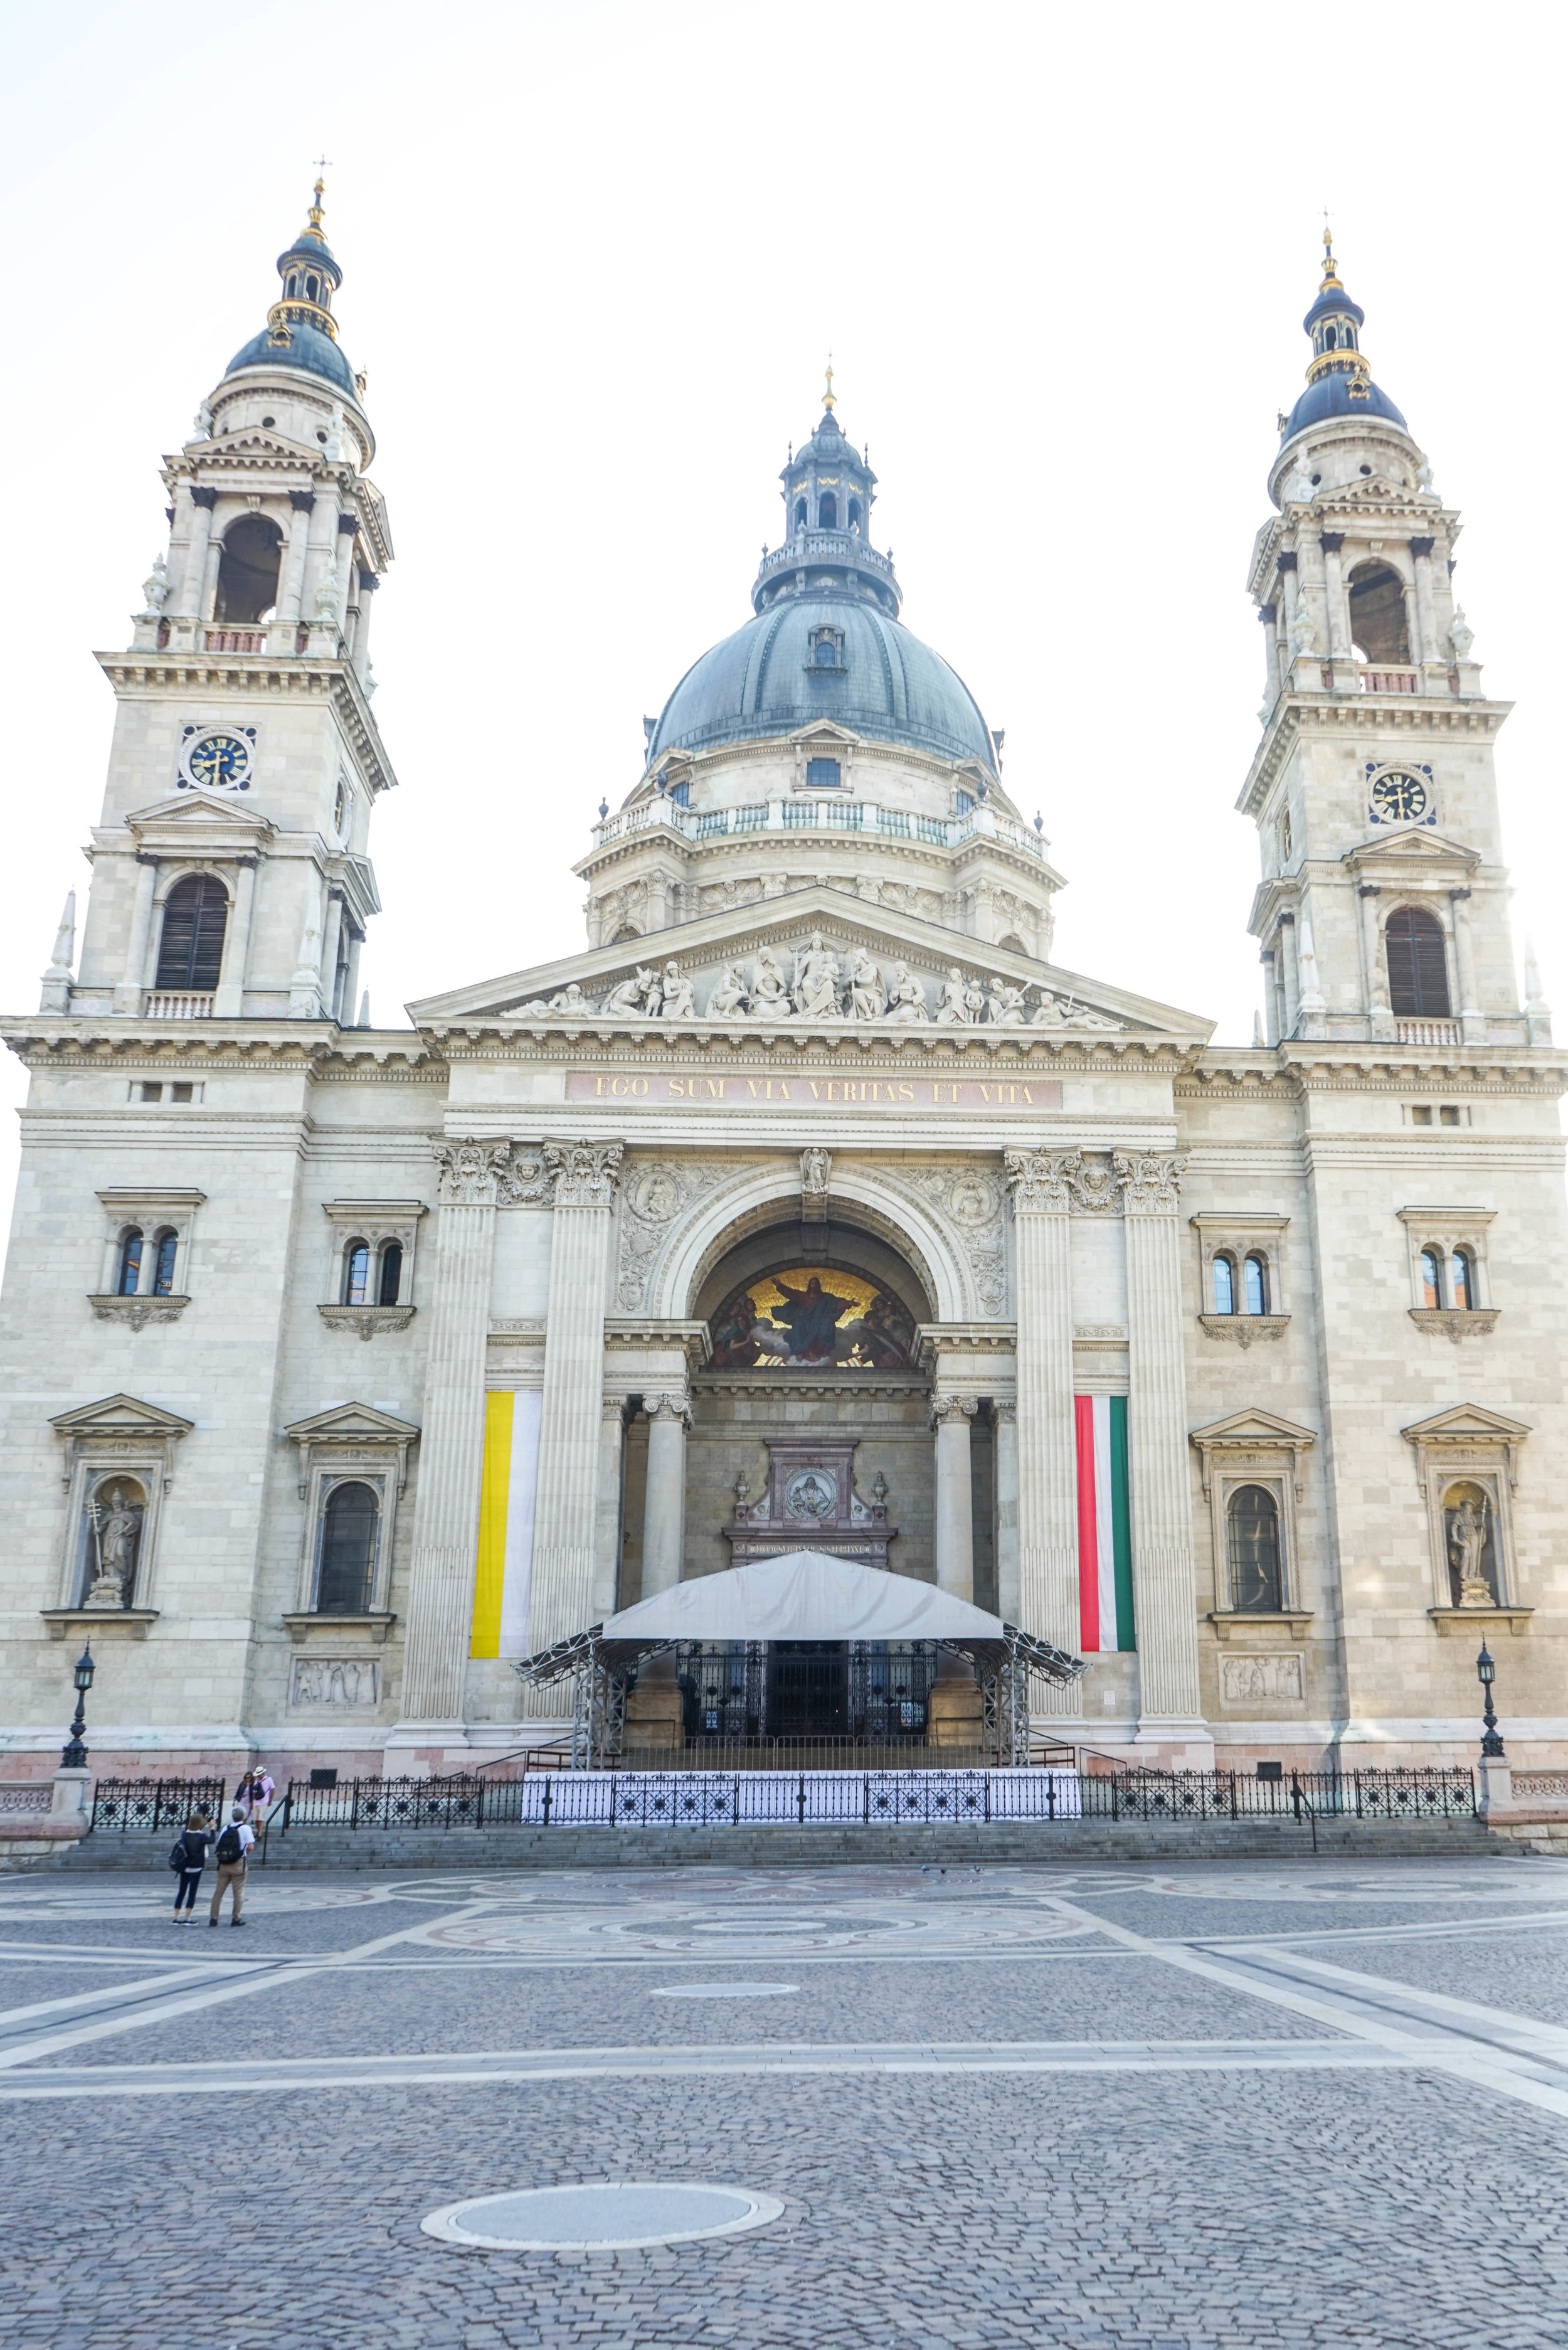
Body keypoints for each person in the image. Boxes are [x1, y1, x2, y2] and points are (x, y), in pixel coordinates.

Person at [209, 1804, 255, 1927]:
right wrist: (243, 1853)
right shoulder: (246, 1828)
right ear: (243, 1817)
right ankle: (236, 1918)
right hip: (238, 1863)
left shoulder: (226, 1828)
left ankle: (213, 1918)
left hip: (224, 1864)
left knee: (218, 1892)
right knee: (238, 1892)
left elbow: (219, 1845)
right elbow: (250, 1846)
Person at [171, 1807, 213, 1923]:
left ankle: (176, 1917)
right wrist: (212, 1829)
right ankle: (187, 1917)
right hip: (197, 1867)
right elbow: (212, 1840)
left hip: (185, 1866)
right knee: (192, 1892)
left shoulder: (184, 1835)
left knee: (182, 1891)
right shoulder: (201, 1836)